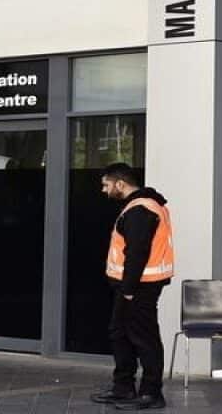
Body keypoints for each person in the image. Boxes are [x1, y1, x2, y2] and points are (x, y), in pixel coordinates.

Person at [90, 162, 174, 410]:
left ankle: (151, 393)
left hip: (139, 287)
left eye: (106, 185)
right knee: (120, 334)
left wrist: (127, 289)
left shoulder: (140, 210)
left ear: (120, 183)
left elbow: (137, 252)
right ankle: (123, 388)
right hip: (134, 285)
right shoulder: (141, 206)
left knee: (144, 338)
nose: (104, 190)